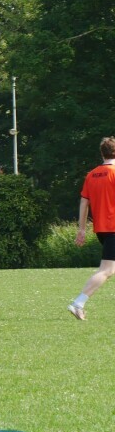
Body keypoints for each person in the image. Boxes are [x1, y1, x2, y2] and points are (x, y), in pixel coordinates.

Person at [69, 137, 115, 320]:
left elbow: (84, 202)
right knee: (106, 270)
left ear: (102, 153)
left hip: (101, 229)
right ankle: (78, 303)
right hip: (113, 228)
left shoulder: (92, 175)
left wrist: (82, 229)